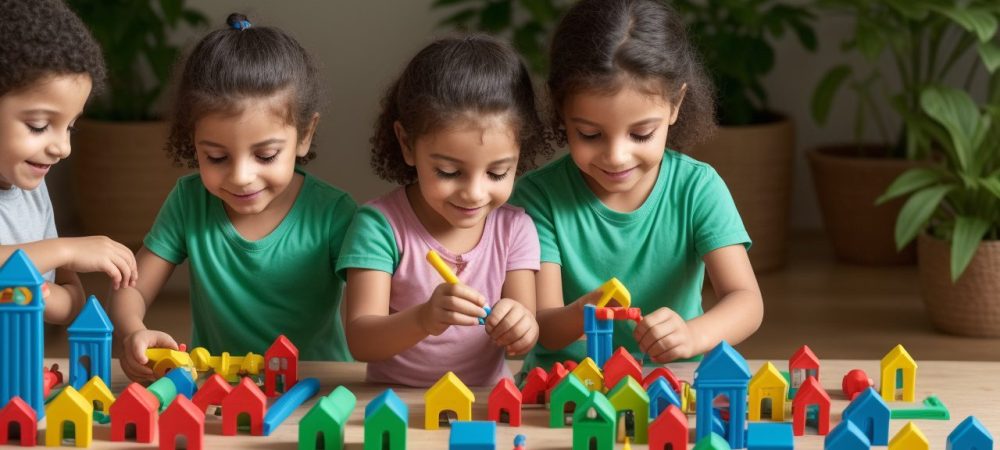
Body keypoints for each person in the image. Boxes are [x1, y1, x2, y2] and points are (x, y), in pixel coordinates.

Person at [510, 0, 763, 371]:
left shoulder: (697, 188)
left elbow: (746, 301)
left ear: (675, 104)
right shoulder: (539, 197)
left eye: (641, 134)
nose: (616, 157)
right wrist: (585, 311)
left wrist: (693, 335)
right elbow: (544, 329)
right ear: (562, 110)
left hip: (669, 379)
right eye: (590, 134)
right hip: (567, 384)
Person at [112, 14, 356, 381]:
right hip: (217, 388)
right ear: (193, 140)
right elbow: (132, 287)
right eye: (216, 157)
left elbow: (379, 307)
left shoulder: (334, 213)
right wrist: (134, 330)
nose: (241, 177)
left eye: (266, 155)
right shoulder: (189, 201)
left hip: (315, 386)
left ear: (305, 135)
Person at [338, 35, 550, 386]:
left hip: (484, 400)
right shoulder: (379, 226)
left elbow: (523, 339)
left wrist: (520, 326)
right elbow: (361, 341)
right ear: (407, 144)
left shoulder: (515, 229)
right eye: (449, 172)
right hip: (396, 402)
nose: (474, 193)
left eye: (498, 172)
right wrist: (423, 319)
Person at [0, 0, 137, 324]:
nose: (63, 148)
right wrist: (65, 250)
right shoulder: (60, 246)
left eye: (70, 127)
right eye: (38, 126)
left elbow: (72, 300)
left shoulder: (32, 193)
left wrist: (32, 293)